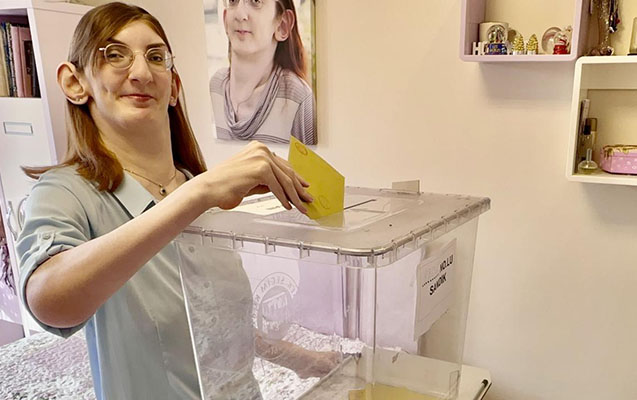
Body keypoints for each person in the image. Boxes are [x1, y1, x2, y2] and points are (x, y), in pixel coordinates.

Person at [16, 3, 332, 399]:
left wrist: (300, 358)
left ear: (174, 87)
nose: (141, 73)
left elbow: (211, 322)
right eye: (115, 55)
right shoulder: (66, 191)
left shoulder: (200, 188)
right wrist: (196, 195)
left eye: (155, 57)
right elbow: (48, 301)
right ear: (74, 82)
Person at [210, 0, 315, 145]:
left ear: (283, 25)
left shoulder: (298, 98)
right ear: (224, 18)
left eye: (256, 1)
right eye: (233, 0)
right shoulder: (215, 86)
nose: (240, 14)